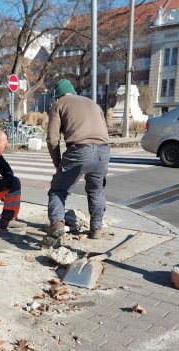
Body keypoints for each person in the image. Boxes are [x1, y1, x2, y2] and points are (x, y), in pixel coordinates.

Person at [43, 78, 111, 247]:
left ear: (57, 96)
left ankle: (57, 223)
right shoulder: (92, 103)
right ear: (72, 91)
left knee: (58, 190)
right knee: (96, 190)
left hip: (80, 150)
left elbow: (52, 139)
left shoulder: (59, 105)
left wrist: (57, 162)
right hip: (104, 150)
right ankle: (96, 228)